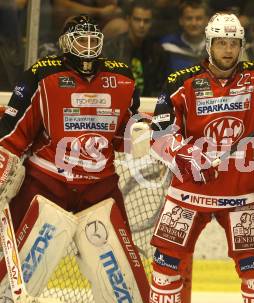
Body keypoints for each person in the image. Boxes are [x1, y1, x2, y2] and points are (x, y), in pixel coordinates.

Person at [0, 15, 150, 302]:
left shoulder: (121, 78)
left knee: (123, 282)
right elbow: (13, 130)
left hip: (100, 188)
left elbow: (125, 133)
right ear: (66, 43)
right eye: (81, 39)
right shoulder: (41, 76)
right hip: (46, 183)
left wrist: (140, 135)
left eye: (94, 40)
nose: (88, 46)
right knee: (17, 274)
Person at [149, 13, 254, 303]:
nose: (227, 49)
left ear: (241, 45)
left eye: (233, 43)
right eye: (221, 42)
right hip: (189, 191)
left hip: (242, 192)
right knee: (164, 269)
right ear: (209, 45)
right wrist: (189, 157)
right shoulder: (181, 82)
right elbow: (159, 136)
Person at [103, 0, 169, 97]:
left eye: (146, 21)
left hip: (148, 105)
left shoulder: (157, 52)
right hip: (119, 101)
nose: (141, 25)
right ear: (128, 19)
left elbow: (161, 87)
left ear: (151, 23)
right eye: (137, 19)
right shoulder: (112, 48)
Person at [160, 0, 210, 71]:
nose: (194, 23)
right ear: (181, 20)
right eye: (189, 19)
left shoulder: (215, 47)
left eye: (198, 19)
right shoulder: (167, 46)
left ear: (207, 21)